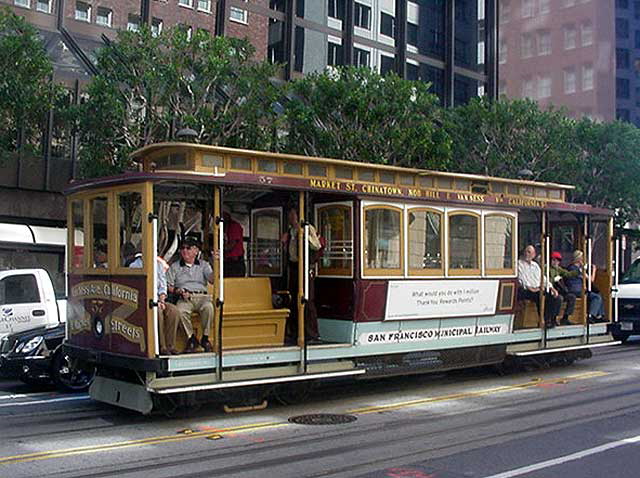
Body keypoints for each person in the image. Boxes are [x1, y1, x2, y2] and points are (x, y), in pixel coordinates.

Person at [166, 236, 215, 352]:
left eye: (188, 248)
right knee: (180, 311)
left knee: (209, 308)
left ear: (196, 251)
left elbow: (212, 280)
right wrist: (179, 291)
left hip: (202, 296)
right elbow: (168, 286)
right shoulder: (175, 266)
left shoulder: (204, 265)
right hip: (185, 297)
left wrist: (216, 262)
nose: (184, 250)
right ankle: (191, 338)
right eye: (182, 248)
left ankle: (205, 338)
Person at [281, 207, 322, 344]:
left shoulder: (308, 228)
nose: (290, 217)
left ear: (298, 215)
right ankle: (295, 332)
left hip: (305, 268)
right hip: (293, 267)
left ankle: (312, 334)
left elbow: (316, 245)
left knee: (307, 300)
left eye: (292, 214)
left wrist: (303, 234)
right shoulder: (290, 230)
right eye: (289, 214)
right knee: (293, 300)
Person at [128, 252, 181, 355]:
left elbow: (162, 284)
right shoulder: (134, 266)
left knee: (174, 311)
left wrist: (162, 299)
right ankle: (161, 346)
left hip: (158, 298)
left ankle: (171, 345)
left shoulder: (158, 265)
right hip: (144, 300)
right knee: (158, 312)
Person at [517, 245, 561, 328]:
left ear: (534, 255)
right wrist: (533, 289)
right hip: (526, 290)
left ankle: (552, 319)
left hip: (538, 289)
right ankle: (544, 320)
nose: (528, 254)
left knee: (557, 297)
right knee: (541, 296)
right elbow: (522, 280)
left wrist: (552, 288)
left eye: (531, 252)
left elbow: (543, 278)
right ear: (524, 252)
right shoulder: (519, 264)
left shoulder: (535, 265)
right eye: (527, 251)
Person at [565, 250, 605, 323]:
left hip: (578, 289)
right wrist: (594, 270)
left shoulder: (574, 268)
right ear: (579, 259)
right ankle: (590, 315)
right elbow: (591, 279)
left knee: (599, 294)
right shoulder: (575, 269)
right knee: (596, 297)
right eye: (582, 258)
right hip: (576, 290)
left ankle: (599, 315)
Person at [549, 251, 581, 325]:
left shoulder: (558, 269)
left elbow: (568, 274)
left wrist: (579, 271)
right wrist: (553, 280)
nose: (555, 262)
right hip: (551, 290)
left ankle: (565, 318)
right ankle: (553, 318)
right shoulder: (546, 268)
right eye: (553, 260)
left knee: (572, 297)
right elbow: (544, 279)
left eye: (557, 261)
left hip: (559, 290)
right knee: (559, 298)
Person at [223, 211, 246, 277]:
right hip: (228, 262)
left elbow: (231, 245)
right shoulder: (225, 227)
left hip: (235, 264)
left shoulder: (234, 226)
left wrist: (219, 249)